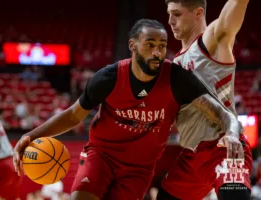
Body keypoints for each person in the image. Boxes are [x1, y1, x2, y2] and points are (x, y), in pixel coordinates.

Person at [13, 19, 241, 200]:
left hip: (139, 168)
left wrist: (231, 132)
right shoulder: (108, 78)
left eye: (161, 46)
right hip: (101, 156)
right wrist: (30, 135)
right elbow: (73, 115)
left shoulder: (177, 78)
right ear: (133, 45)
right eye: (150, 44)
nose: (157, 52)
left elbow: (221, 112)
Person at [157, 0, 252, 200]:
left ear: (198, 13)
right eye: (169, 14)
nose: (170, 21)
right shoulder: (175, 63)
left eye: (177, 14)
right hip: (192, 156)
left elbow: (227, 24)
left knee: (234, 196)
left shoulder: (209, 42)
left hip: (225, 146)